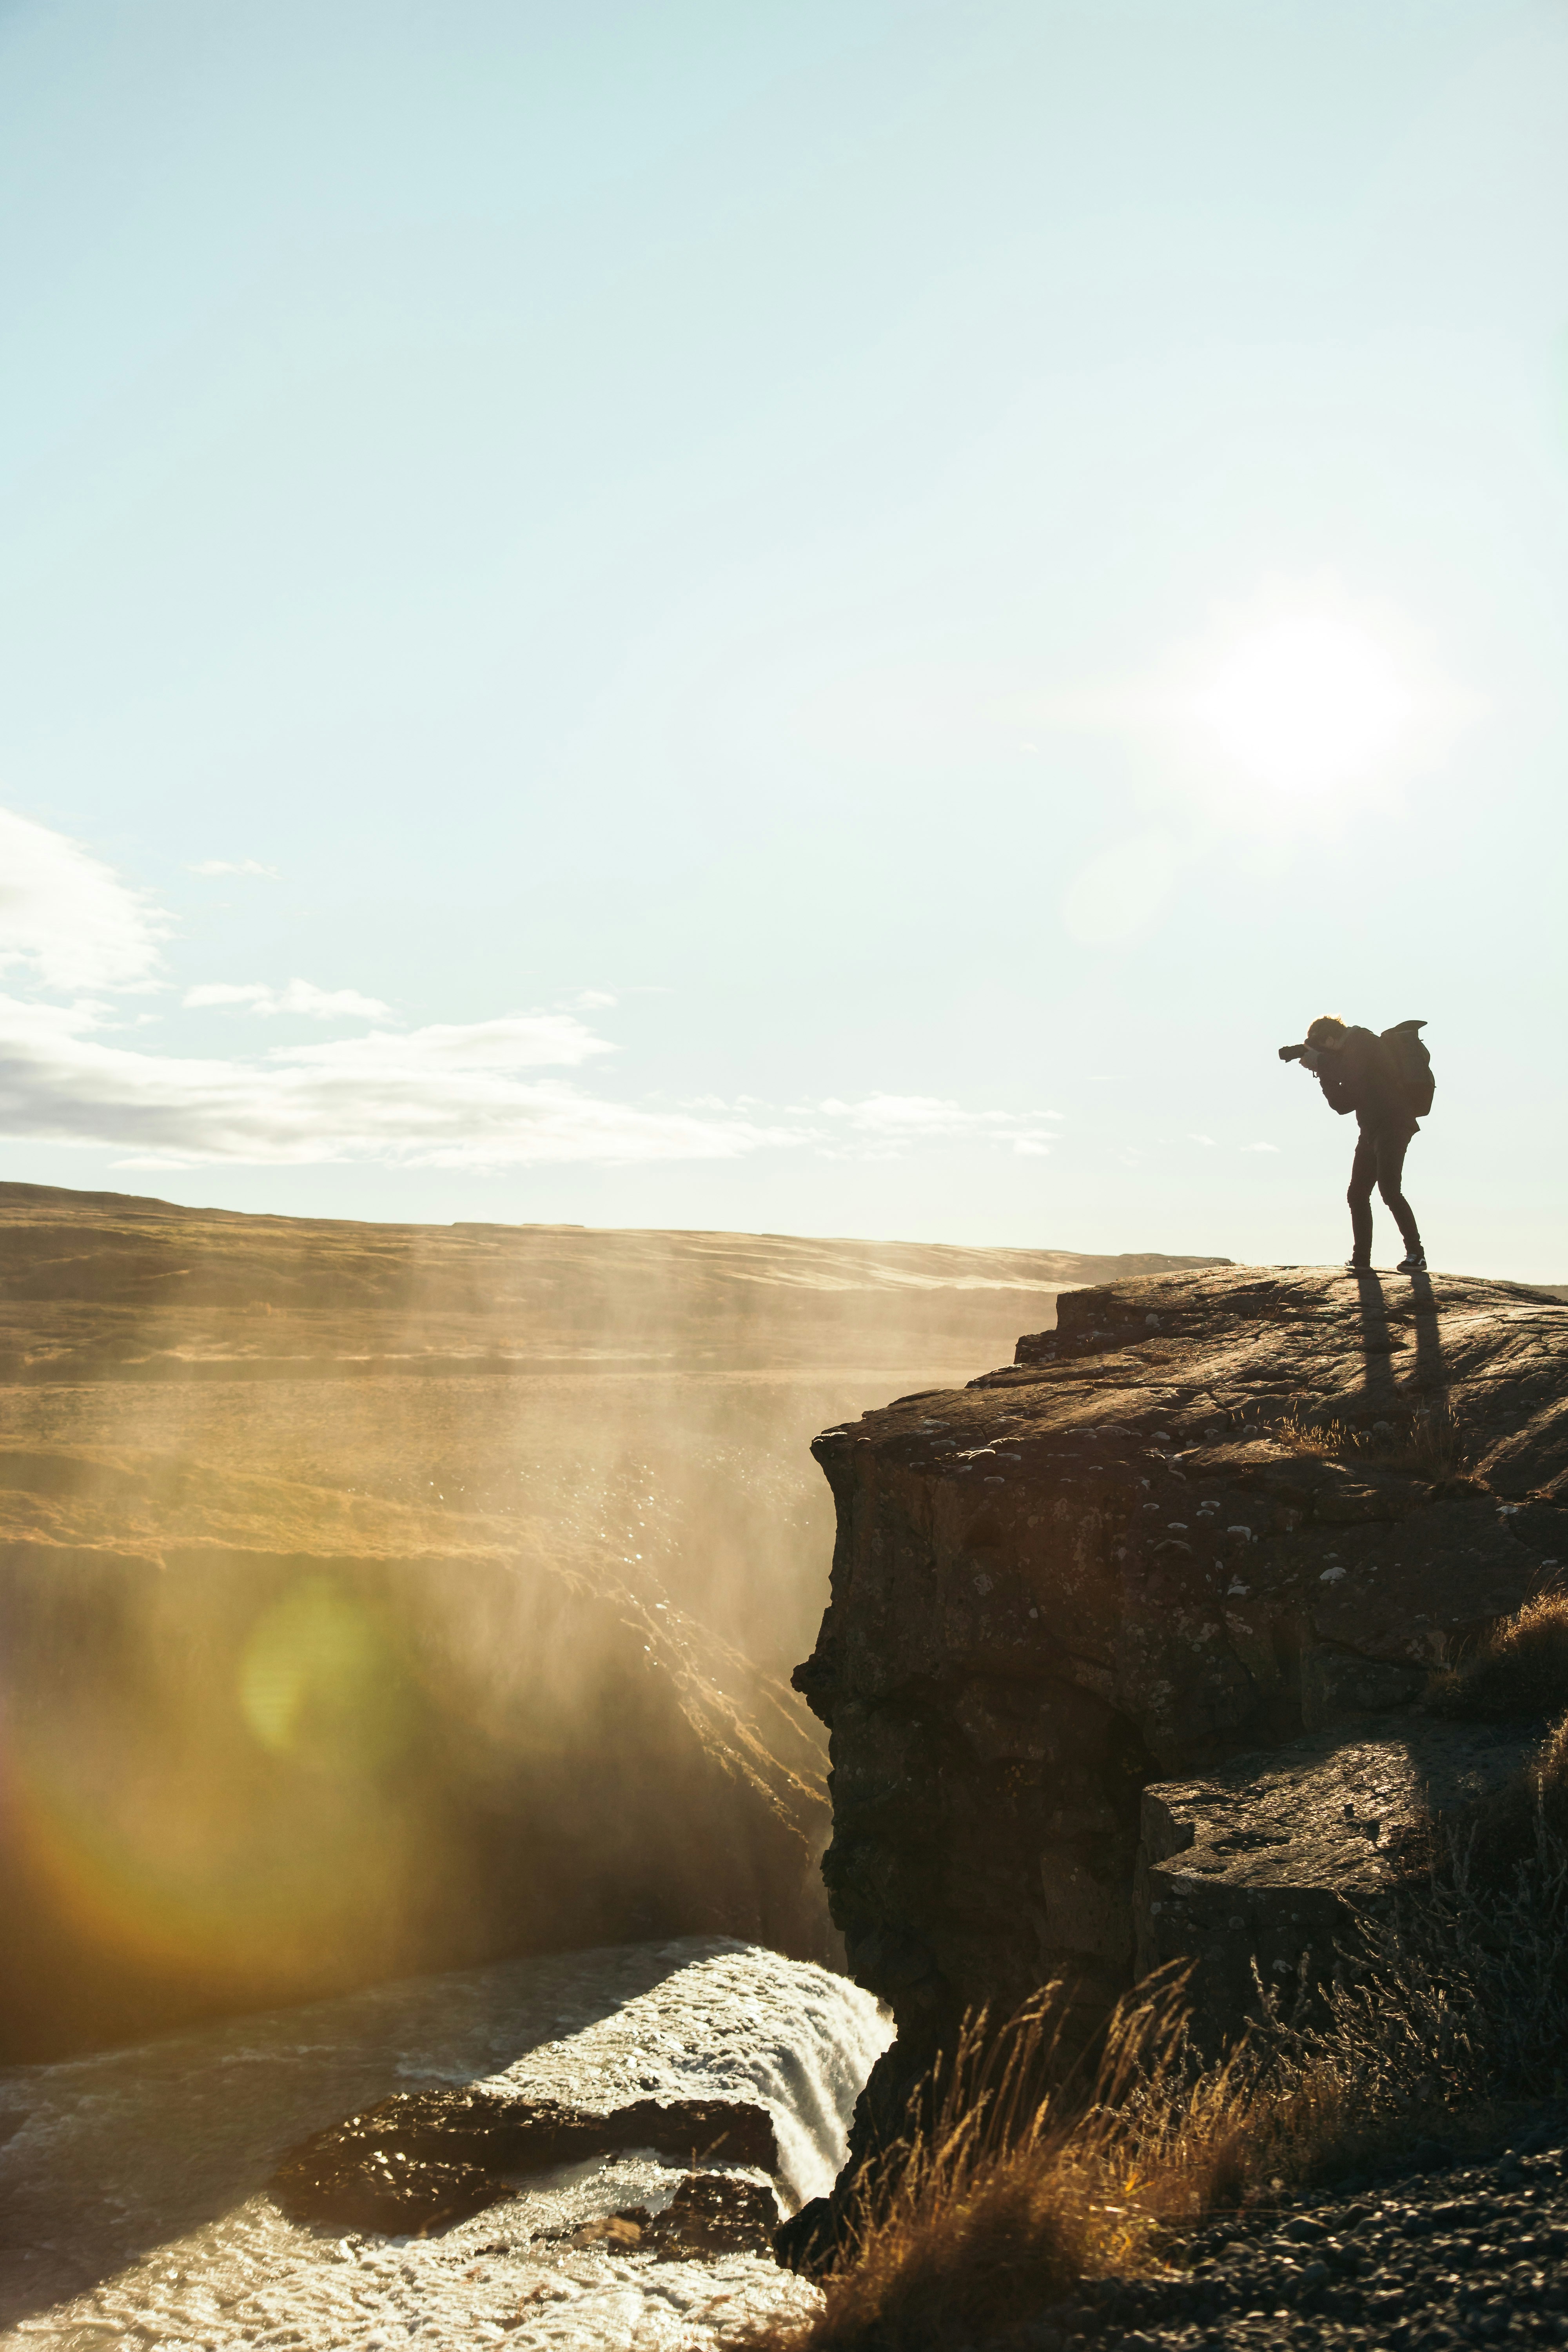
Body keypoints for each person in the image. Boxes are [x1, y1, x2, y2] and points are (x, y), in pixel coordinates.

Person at [1293, 1015, 1426, 1275]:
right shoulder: (1343, 1056)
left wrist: (1320, 1061)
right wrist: (1321, 1073)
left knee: (1390, 1190)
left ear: (1331, 1040)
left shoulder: (1362, 1040)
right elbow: (1342, 1105)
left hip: (1393, 1124)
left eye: (1322, 1047)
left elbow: (1349, 1072)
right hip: (1371, 1129)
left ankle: (1417, 1255)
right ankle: (1361, 1260)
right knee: (1357, 1194)